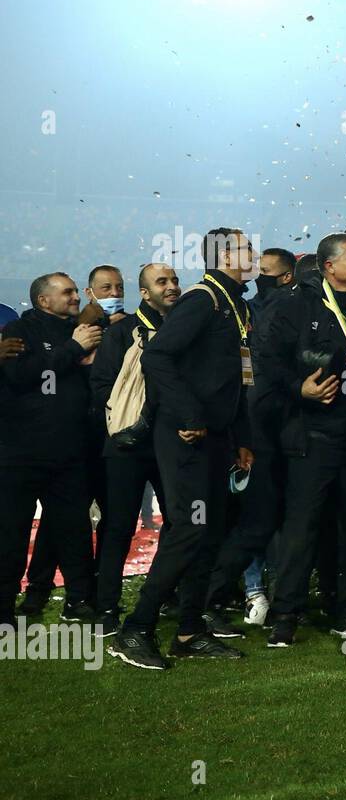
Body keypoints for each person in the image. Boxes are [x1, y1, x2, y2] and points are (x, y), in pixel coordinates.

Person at [109, 230, 255, 669]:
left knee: (207, 531)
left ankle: (190, 630)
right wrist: (190, 415)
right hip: (184, 438)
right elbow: (157, 357)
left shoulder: (236, 304)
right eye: (246, 248)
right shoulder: (202, 300)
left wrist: (241, 438)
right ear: (226, 256)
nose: (252, 253)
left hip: (214, 439)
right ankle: (135, 629)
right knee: (189, 529)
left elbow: (238, 378)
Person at [263, 232, 346, 645]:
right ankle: (285, 614)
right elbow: (269, 363)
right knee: (303, 527)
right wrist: (299, 389)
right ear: (328, 267)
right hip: (313, 436)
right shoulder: (296, 307)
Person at [203, 245, 299, 629]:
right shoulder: (254, 308)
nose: (258, 273)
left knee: (269, 520)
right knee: (257, 521)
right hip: (261, 433)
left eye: (266, 270)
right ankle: (210, 600)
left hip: (275, 431)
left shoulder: (269, 306)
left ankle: (231, 598)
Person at [0, 274, 102, 631]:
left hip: (70, 451)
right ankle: (4, 611)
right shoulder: (19, 329)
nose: (76, 297)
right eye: (68, 292)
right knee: (11, 532)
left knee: (74, 530)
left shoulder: (83, 329)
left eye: (76, 291)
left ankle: (80, 601)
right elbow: (21, 374)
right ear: (44, 301)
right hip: (20, 453)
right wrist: (74, 349)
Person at [89, 263, 181, 635]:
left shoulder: (183, 329)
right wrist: (127, 425)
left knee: (178, 524)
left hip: (172, 446)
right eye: (162, 282)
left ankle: (163, 592)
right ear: (145, 292)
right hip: (128, 447)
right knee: (118, 527)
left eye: (174, 280)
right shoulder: (122, 333)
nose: (172, 286)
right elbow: (101, 388)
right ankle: (106, 606)